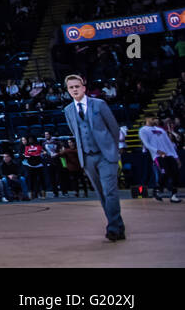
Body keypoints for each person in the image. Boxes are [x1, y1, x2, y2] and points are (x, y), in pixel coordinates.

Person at [62, 74, 125, 241]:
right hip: (87, 158)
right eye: (71, 87)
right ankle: (118, 227)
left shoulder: (99, 104)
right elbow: (75, 133)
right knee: (101, 194)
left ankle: (112, 228)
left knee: (109, 191)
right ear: (68, 90)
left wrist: (113, 151)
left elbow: (114, 128)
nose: (74, 89)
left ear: (84, 88)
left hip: (106, 155)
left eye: (77, 86)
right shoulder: (68, 110)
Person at [139, 117, 181, 202]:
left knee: (175, 173)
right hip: (158, 155)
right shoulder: (143, 130)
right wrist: (157, 151)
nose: (156, 120)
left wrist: (176, 157)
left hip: (169, 154)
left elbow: (169, 143)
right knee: (164, 173)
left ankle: (173, 195)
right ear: (147, 119)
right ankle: (157, 190)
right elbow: (146, 144)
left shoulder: (160, 130)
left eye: (156, 119)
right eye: (153, 119)